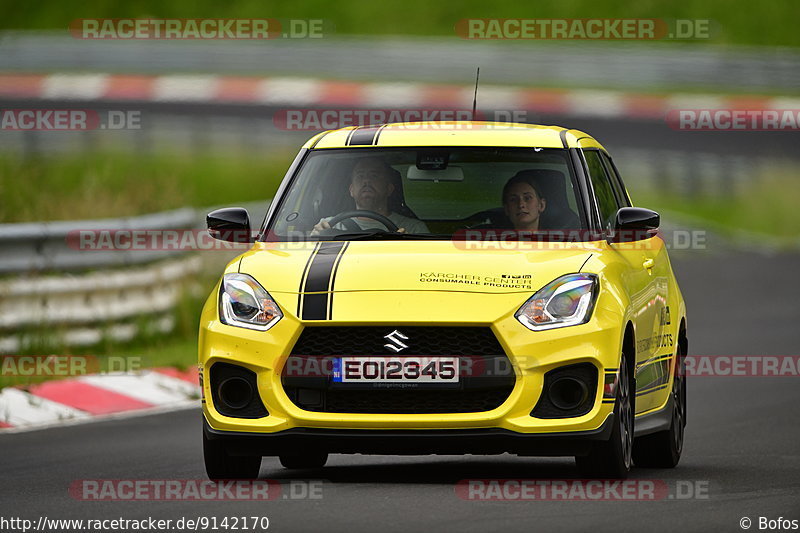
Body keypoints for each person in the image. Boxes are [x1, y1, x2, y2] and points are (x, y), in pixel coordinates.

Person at [311, 157, 429, 234]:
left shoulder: (413, 229)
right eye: (360, 176)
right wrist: (317, 237)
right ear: (351, 190)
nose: (366, 181)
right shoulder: (330, 226)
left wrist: (408, 244)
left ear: (389, 189)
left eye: (374, 176)